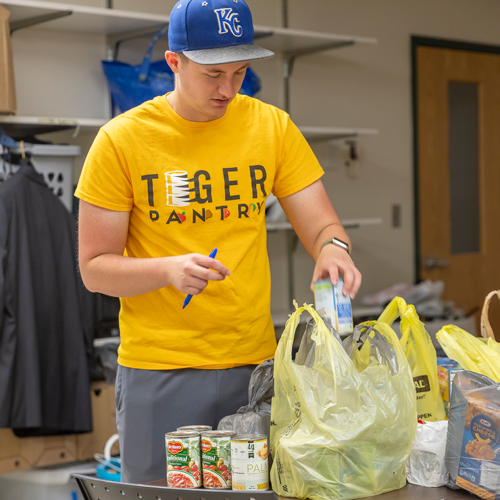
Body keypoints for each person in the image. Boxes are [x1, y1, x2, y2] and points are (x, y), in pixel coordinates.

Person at [76, 0, 362, 484]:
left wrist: (335, 248)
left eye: (241, 72)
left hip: (251, 366)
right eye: (213, 75)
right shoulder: (121, 141)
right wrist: (167, 270)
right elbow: (94, 268)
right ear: (175, 62)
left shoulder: (272, 127)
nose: (228, 89)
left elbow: (322, 227)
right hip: (158, 369)